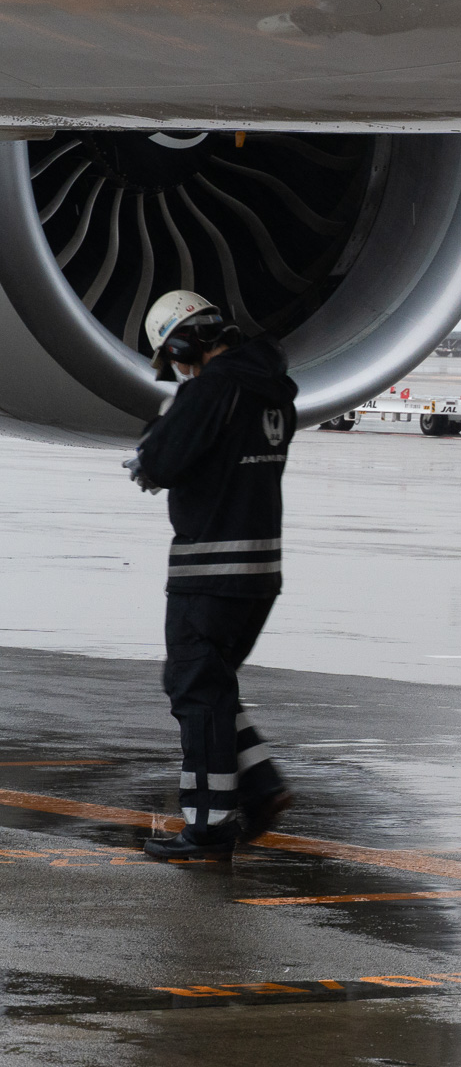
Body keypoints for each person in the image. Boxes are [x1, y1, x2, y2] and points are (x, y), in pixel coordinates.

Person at [126, 291, 299, 860]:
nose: (177, 372)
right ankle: (260, 784)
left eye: (174, 360)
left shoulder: (213, 387)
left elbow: (165, 458)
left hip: (210, 568)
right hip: (259, 569)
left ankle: (208, 825)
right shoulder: (272, 389)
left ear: (182, 344)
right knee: (210, 682)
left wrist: (148, 459)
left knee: (195, 691)